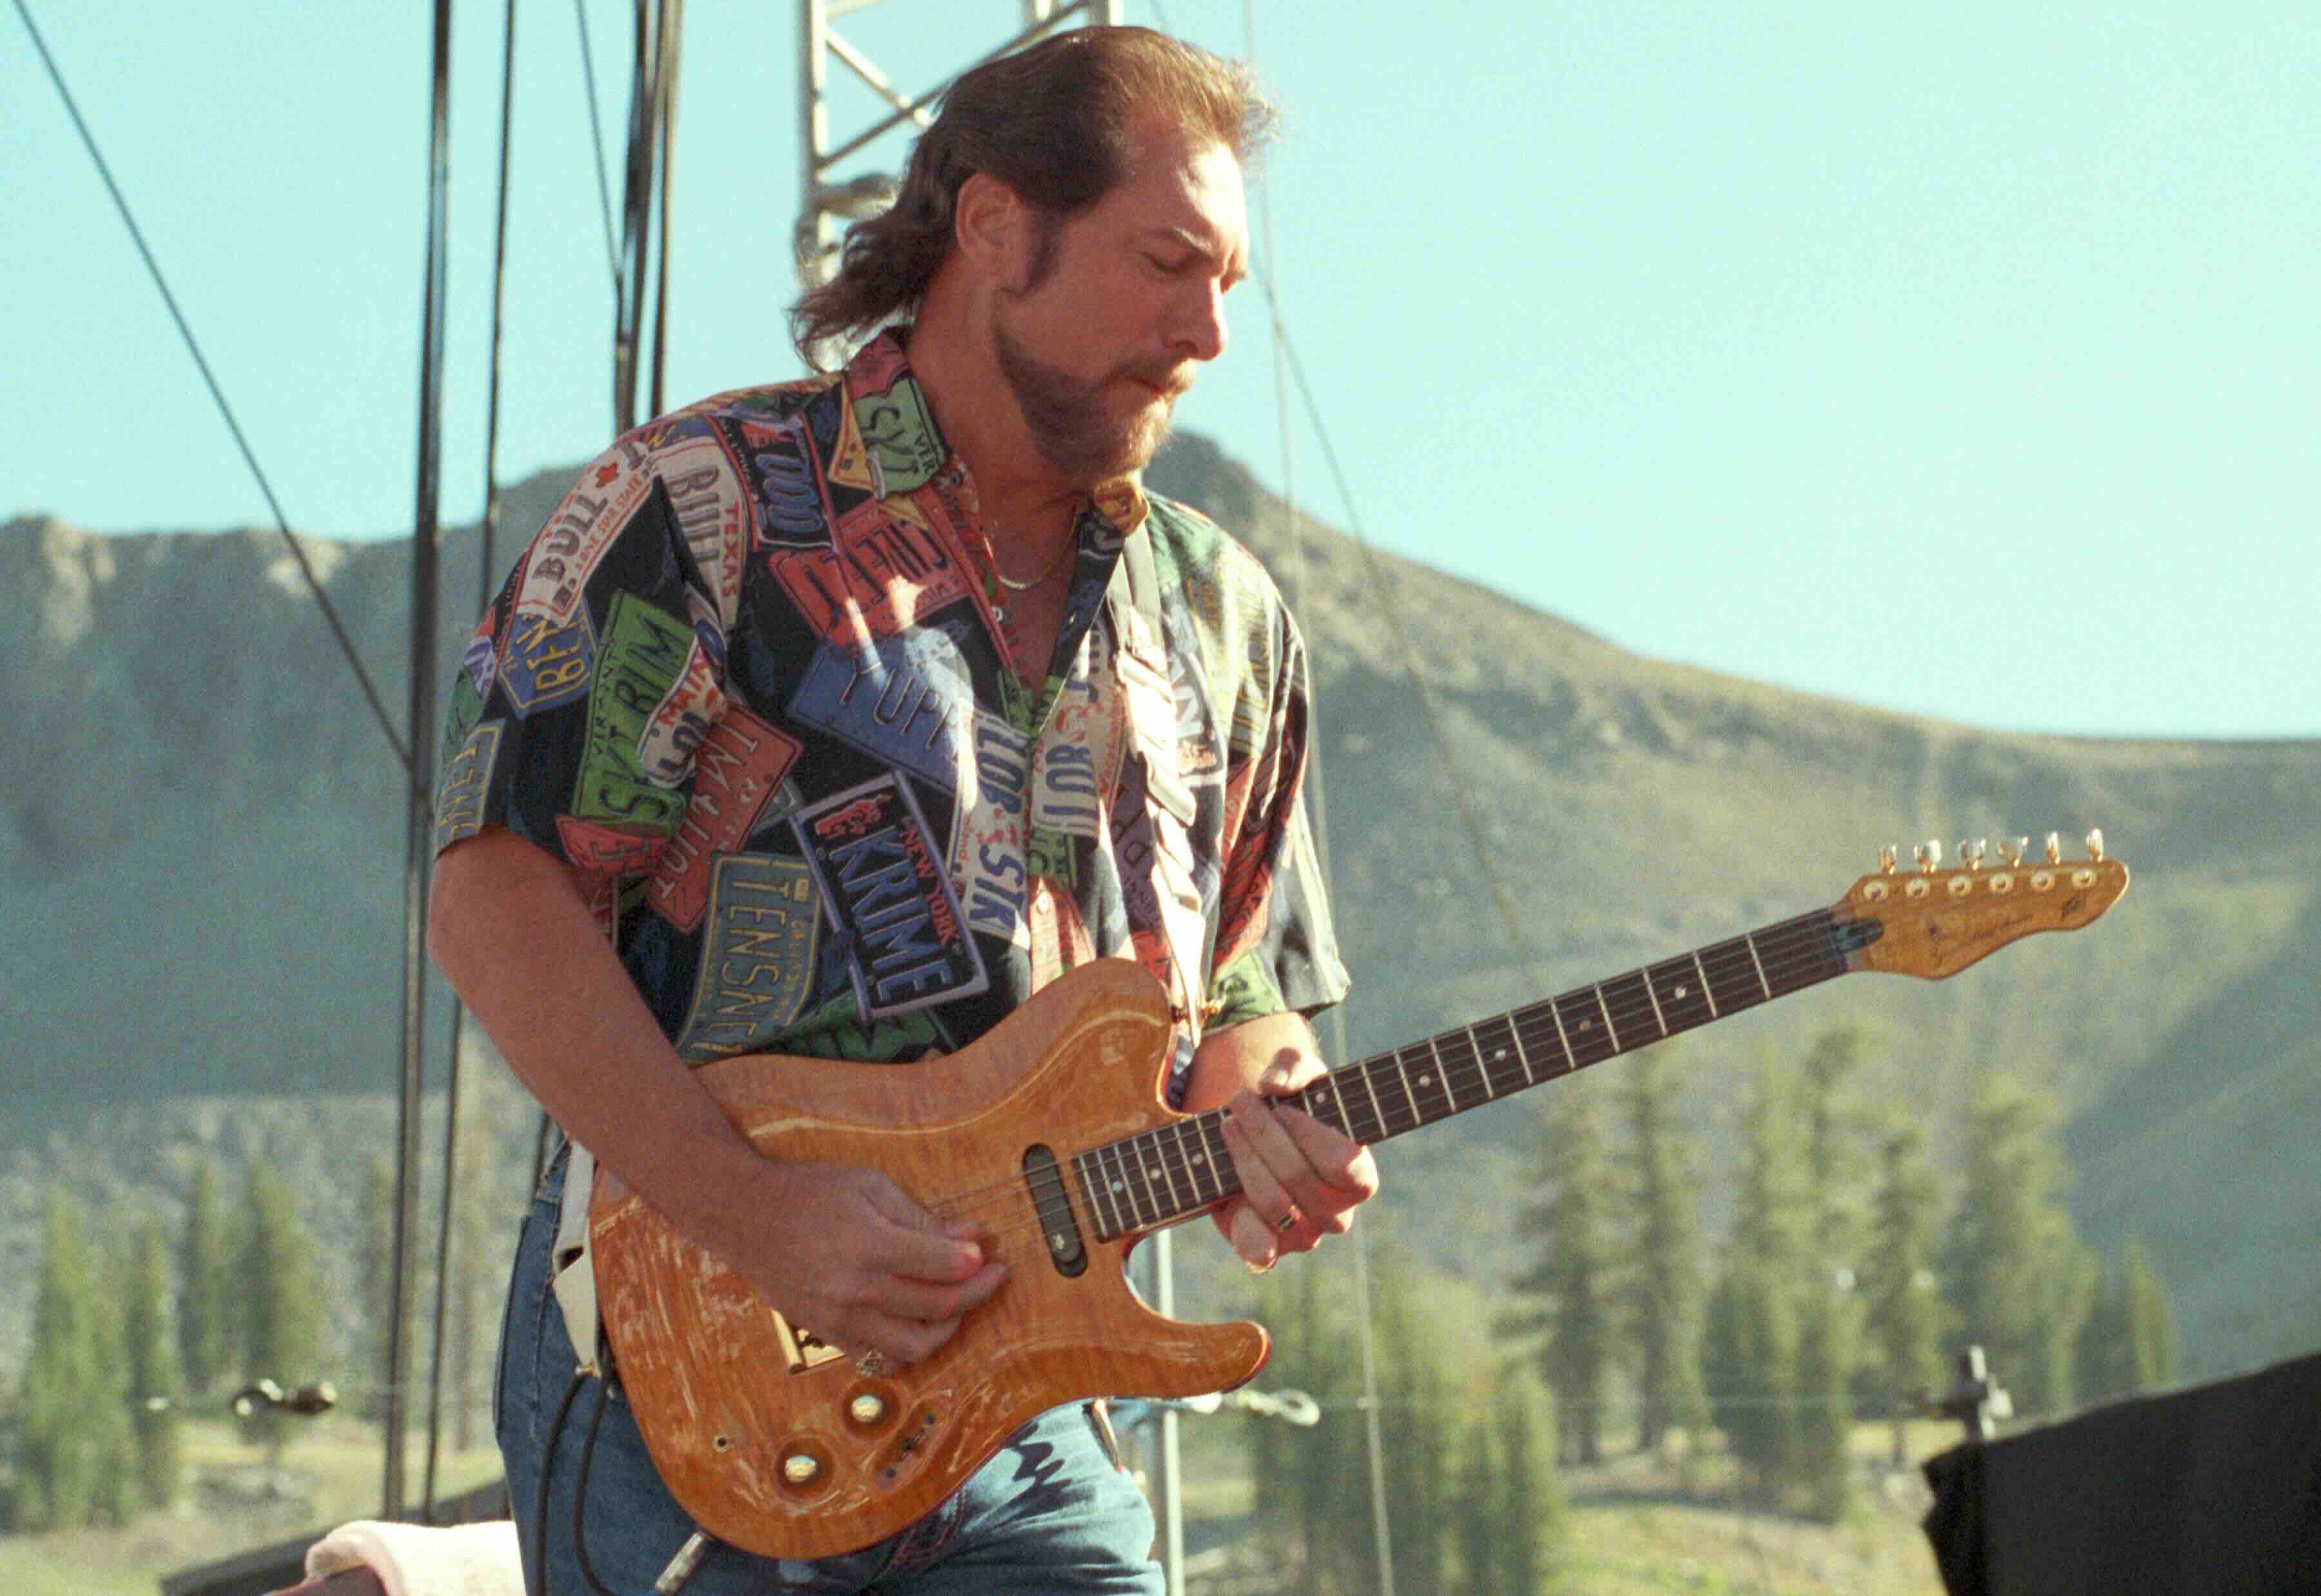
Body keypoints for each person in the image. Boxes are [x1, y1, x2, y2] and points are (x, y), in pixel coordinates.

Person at [426, 24, 1376, 1595]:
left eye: (1230, 286)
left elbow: (1247, 989)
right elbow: (497, 896)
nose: (1207, 329)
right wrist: (761, 1212)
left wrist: (1274, 1114)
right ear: (995, 225)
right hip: (703, 1371)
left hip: (1038, 1415)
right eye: (1166, 262)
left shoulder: (1227, 615)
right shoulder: (699, 502)